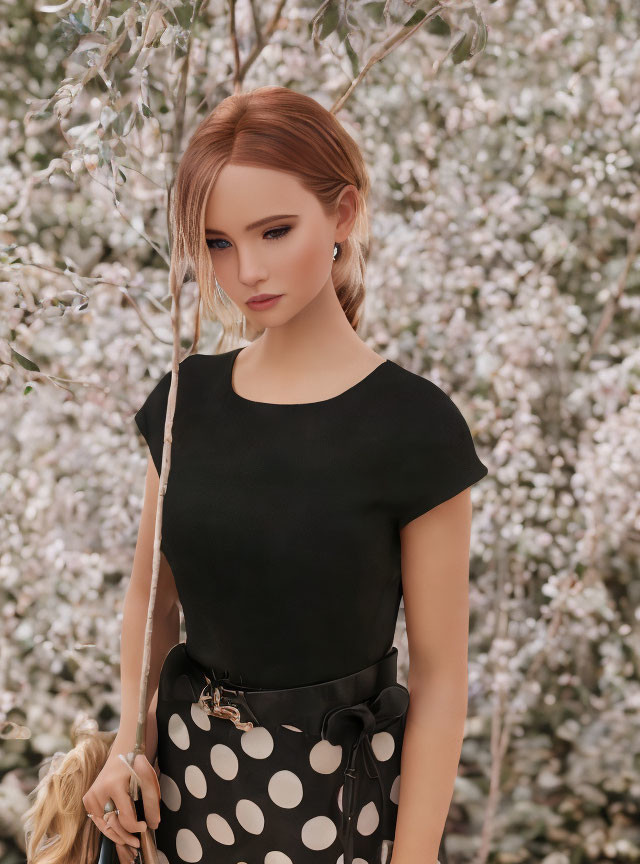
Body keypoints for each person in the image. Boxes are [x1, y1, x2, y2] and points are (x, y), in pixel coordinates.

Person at [82, 86, 489, 864]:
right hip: (180, 793)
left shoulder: (415, 425)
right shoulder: (183, 401)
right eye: (219, 243)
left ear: (342, 215)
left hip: (342, 807)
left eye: (275, 230)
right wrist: (126, 746)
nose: (249, 270)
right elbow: (150, 596)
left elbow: (441, 681)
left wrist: (413, 860)